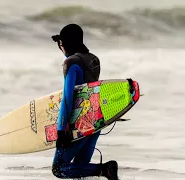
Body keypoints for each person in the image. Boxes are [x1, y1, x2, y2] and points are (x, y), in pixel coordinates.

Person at [51, 24, 119, 180]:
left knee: (59, 168)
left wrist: (61, 129)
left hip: (78, 124)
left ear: (66, 43)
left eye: (61, 44)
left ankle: (105, 169)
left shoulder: (71, 64)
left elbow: (69, 98)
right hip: (95, 122)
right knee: (80, 171)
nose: (61, 48)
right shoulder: (93, 59)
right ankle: (105, 171)